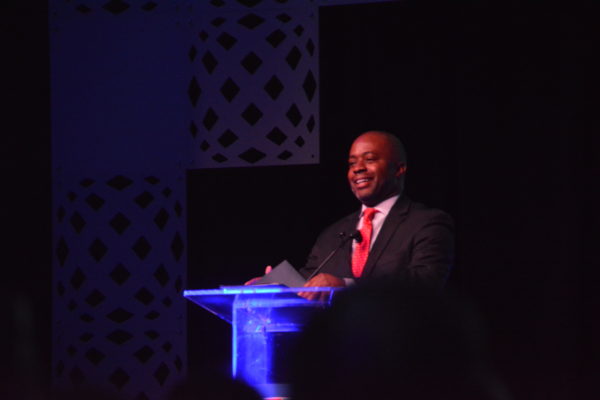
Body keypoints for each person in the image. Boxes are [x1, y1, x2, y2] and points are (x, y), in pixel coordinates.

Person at [248, 130, 454, 297]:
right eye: (352, 163)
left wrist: (346, 285)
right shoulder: (333, 233)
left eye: (370, 159)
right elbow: (309, 283)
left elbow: (425, 281)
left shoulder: (427, 223)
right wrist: (274, 287)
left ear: (399, 169)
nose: (358, 169)